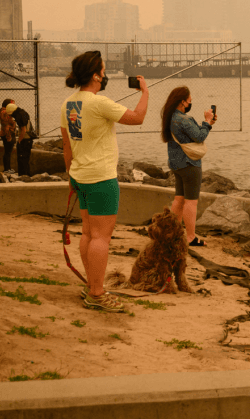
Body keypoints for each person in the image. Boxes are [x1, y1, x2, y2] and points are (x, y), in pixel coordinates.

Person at [60, 50, 149, 313]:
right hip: (101, 178)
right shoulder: (99, 103)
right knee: (101, 238)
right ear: (96, 75)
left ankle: (92, 285)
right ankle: (97, 293)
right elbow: (137, 118)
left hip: (80, 176)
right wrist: (145, 92)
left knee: (88, 233)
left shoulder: (68, 104)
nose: (106, 74)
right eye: (104, 69)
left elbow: (67, 145)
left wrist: (70, 176)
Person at [161, 86, 214, 246]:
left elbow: (193, 134)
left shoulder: (170, 117)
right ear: (183, 102)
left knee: (179, 199)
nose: (191, 102)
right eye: (189, 100)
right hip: (189, 164)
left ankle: (172, 233)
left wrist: (208, 123)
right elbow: (199, 136)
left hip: (176, 164)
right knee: (191, 202)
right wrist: (207, 121)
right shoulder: (184, 119)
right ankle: (190, 237)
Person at [5, 103, 34, 177]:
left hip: (25, 139)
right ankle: (27, 174)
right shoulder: (23, 113)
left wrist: (19, 141)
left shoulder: (19, 116)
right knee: (26, 158)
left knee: (21, 158)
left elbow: (23, 130)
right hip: (29, 139)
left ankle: (22, 175)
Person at [0, 99, 17, 173]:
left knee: (8, 152)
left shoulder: (3, 111)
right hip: (8, 133)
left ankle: (8, 168)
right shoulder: (5, 112)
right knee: (7, 152)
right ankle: (7, 169)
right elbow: (6, 125)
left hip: (7, 133)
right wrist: (8, 136)